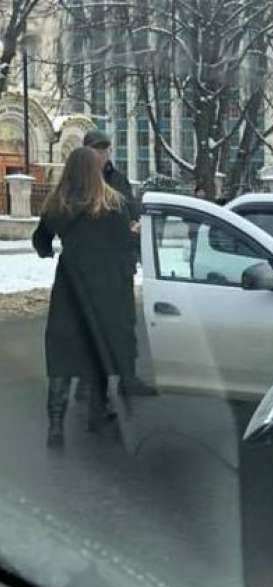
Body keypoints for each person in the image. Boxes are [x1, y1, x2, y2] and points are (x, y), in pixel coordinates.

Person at [32, 147, 138, 448]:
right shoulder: (113, 202)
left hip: (69, 285)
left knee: (62, 351)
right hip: (103, 286)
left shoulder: (57, 203)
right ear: (95, 170)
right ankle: (97, 413)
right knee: (96, 346)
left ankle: (55, 423)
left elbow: (41, 240)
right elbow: (123, 245)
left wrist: (48, 251)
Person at [81, 130, 156, 397]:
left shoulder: (119, 180)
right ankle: (87, 383)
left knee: (125, 325)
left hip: (121, 267)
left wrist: (135, 229)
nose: (102, 154)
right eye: (96, 149)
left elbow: (133, 214)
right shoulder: (78, 183)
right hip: (92, 271)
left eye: (105, 149)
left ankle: (128, 379)